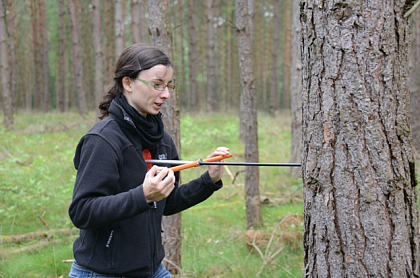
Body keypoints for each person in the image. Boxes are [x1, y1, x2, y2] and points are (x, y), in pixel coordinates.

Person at [68, 43, 229, 278]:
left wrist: (209, 180)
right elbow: (82, 211)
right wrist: (142, 195)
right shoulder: (103, 139)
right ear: (128, 83)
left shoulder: (161, 139)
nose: (166, 94)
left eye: (168, 85)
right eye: (157, 85)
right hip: (102, 272)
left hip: (151, 269)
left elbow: (169, 202)